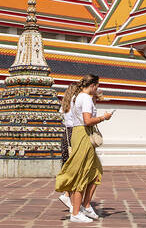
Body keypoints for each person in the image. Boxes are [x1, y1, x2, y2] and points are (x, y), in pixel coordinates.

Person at [55, 74, 113, 223]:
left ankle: (86, 205)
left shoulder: (77, 97)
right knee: (82, 172)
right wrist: (103, 117)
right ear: (93, 85)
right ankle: (75, 212)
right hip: (82, 134)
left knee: (96, 171)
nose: (97, 89)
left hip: (79, 132)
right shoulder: (85, 98)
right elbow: (87, 121)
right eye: (97, 86)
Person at [56, 80, 80, 211]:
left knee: (68, 166)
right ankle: (69, 197)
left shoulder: (64, 104)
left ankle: (68, 196)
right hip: (74, 134)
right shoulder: (76, 102)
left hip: (65, 135)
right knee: (75, 167)